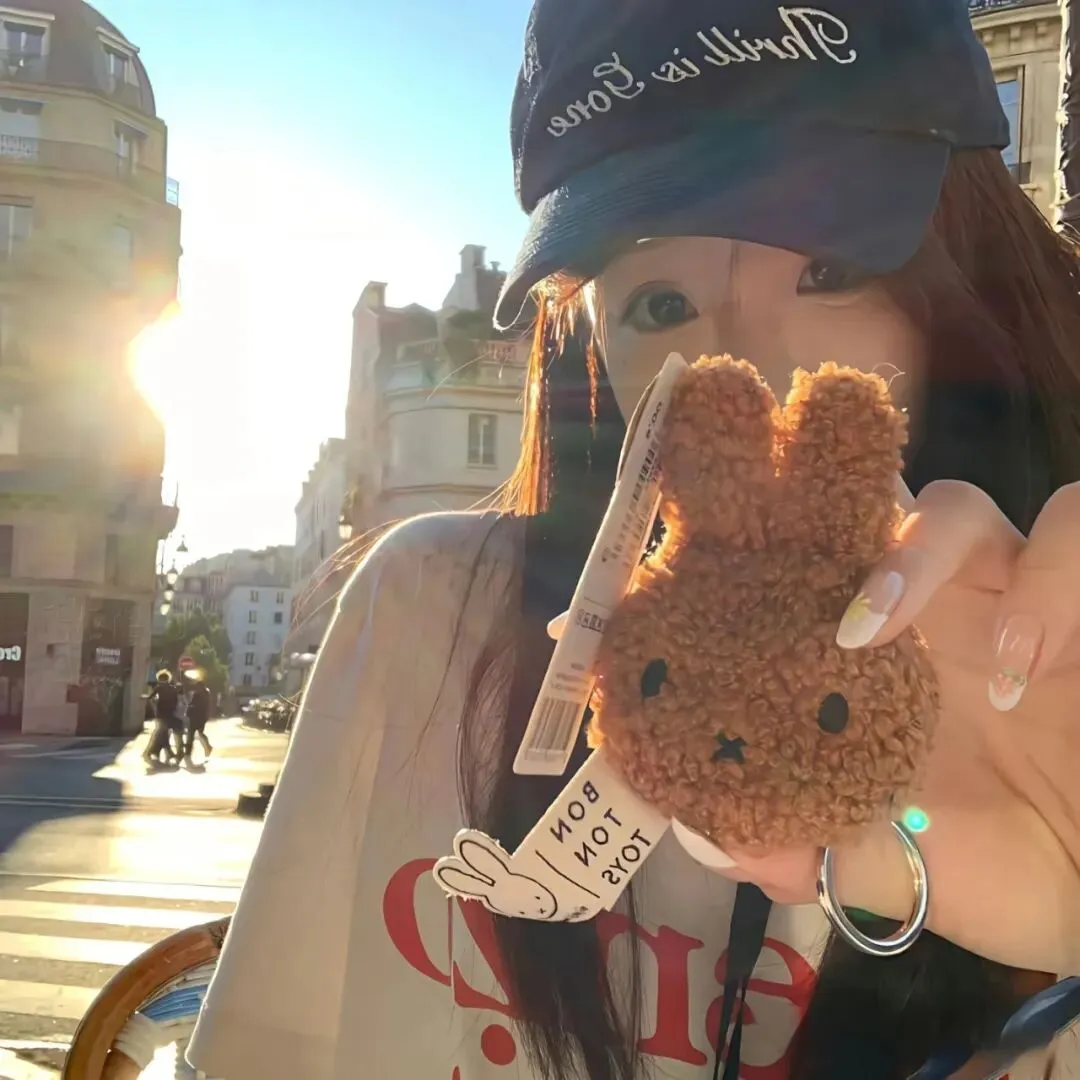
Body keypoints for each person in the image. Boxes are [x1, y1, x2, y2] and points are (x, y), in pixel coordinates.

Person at [188, 1, 1080, 1078]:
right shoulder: (434, 610)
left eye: (832, 271)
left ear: (969, 281)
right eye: (659, 304)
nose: (746, 371)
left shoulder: (1055, 680)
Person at [143, 670, 180, 767]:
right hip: (170, 714)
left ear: (159, 679)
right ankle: (168, 753)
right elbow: (176, 702)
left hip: (161, 714)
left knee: (161, 734)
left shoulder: (159, 688)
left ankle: (151, 753)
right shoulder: (173, 689)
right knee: (163, 734)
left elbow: (150, 697)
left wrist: (150, 700)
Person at [183, 678, 213, 766]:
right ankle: (207, 747)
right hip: (200, 717)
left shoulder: (200, 694)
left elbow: (194, 705)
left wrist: (188, 711)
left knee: (192, 735)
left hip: (197, 717)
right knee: (198, 734)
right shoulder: (205, 693)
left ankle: (188, 753)